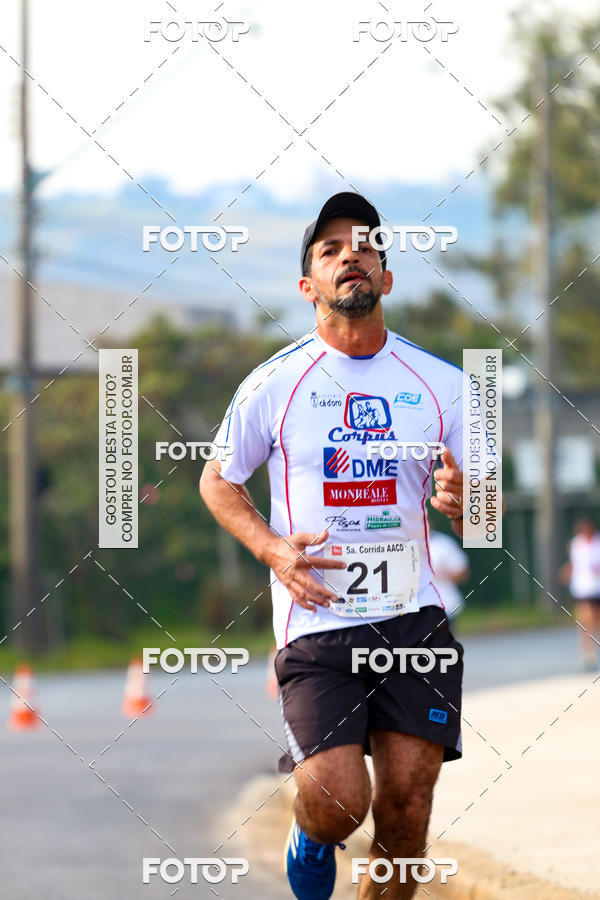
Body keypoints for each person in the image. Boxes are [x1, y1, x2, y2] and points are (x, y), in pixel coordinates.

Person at [200, 192, 467, 900]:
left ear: (385, 277)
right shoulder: (274, 383)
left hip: (413, 619)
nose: (352, 254)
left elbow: (485, 516)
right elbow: (217, 483)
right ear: (308, 286)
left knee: (407, 811)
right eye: (330, 249)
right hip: (318, 621)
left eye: (367, 246)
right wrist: (275, 551)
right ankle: (308, 829)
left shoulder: (444, 385)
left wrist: (470, 504)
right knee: (339, 799)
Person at [558, 517, 600, 672]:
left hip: (597, 587)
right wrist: (567, 571)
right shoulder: (576, 544)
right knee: (585, 619)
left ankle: (593, 651)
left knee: (595, 621)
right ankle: (588, 654)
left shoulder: (598, 542)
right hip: (582, 587)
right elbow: (574, 563)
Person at [429, 530, 470, 621]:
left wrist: (443, 574)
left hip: (446, 606)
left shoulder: (444, 543)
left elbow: (463, 573)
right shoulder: (403, 543)